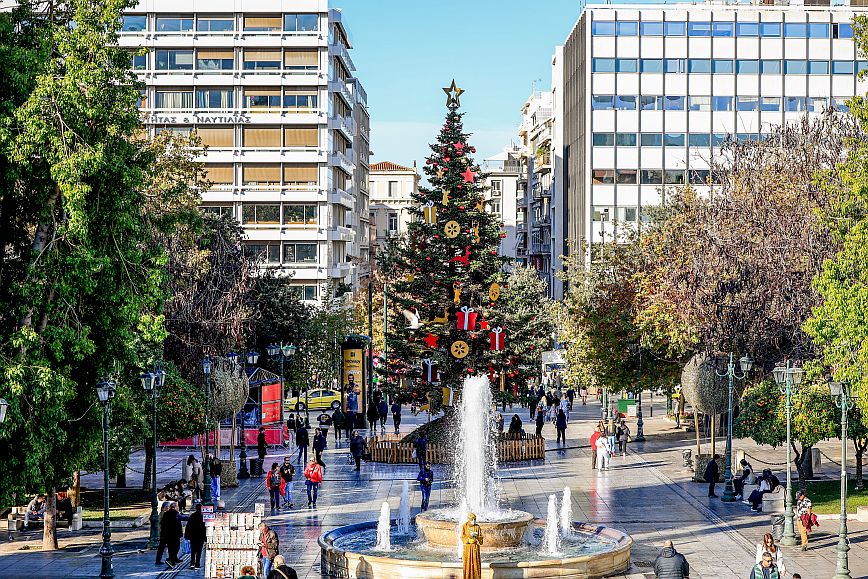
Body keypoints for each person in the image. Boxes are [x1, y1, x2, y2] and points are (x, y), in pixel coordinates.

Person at [156, 502, 182, 568]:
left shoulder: (166, 514)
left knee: (169, 548)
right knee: (172, 548)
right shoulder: (170, 514)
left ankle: (172, 559)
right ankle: (170, 560)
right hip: (169, 534)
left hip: (165, 534)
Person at [461, 512, 483, 579]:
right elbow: (462, 537)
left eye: (475, 520)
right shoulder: (464, 526)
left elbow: (481, 538)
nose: (473, 521)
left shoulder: (477, 527)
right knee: (468, 564)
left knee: (476, 564)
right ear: (468, 519)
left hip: (475, 549)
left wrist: (477, 538)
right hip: (468, 549)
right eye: (472, 520)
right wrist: (468, 540)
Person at [184, 503, 206, 570]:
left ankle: (192, 563)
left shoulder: (192, 516)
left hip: (193, 536)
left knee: (193, 550)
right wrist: (205, 537)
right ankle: (197, 563)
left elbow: (188, 526)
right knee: (199, 550)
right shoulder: (203, 516)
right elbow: (205, 527)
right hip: (200, 536)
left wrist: (187, 536)